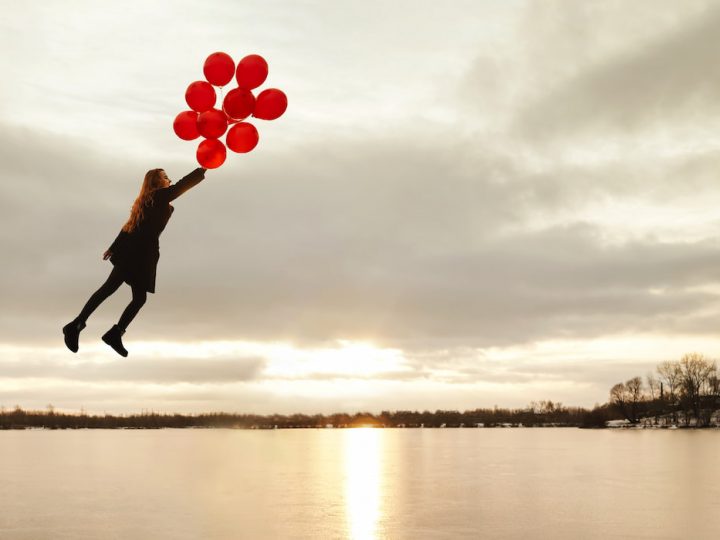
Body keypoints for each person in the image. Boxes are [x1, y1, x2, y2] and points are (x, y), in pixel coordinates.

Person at [63, 167, 207, 356]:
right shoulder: (158, 196)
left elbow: (129, 226)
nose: (169, 179)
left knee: (138, 298)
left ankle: (114, 333)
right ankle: (76, 325)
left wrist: (113, 247)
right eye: (165, 177)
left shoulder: (150, 201)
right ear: (155, 182)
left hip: (144, 253)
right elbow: (180, 187)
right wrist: (202, 169)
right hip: (135, 252)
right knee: (110, 288)